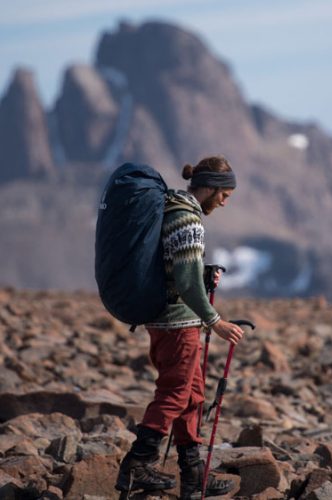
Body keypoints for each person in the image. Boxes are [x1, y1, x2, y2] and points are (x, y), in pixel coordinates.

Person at [115, 156, 244, 498]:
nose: (225, 202)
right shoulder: (188, 218)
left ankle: (193, 476)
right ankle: (138, 463)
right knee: (174, 392)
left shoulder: (173, 209)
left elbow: (175, 268)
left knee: (193, 395)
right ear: (212, 188)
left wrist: (203, 273)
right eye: (225, 194)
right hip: (178, 323)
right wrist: (215, 322)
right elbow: (186, 282)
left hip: (167, 319)